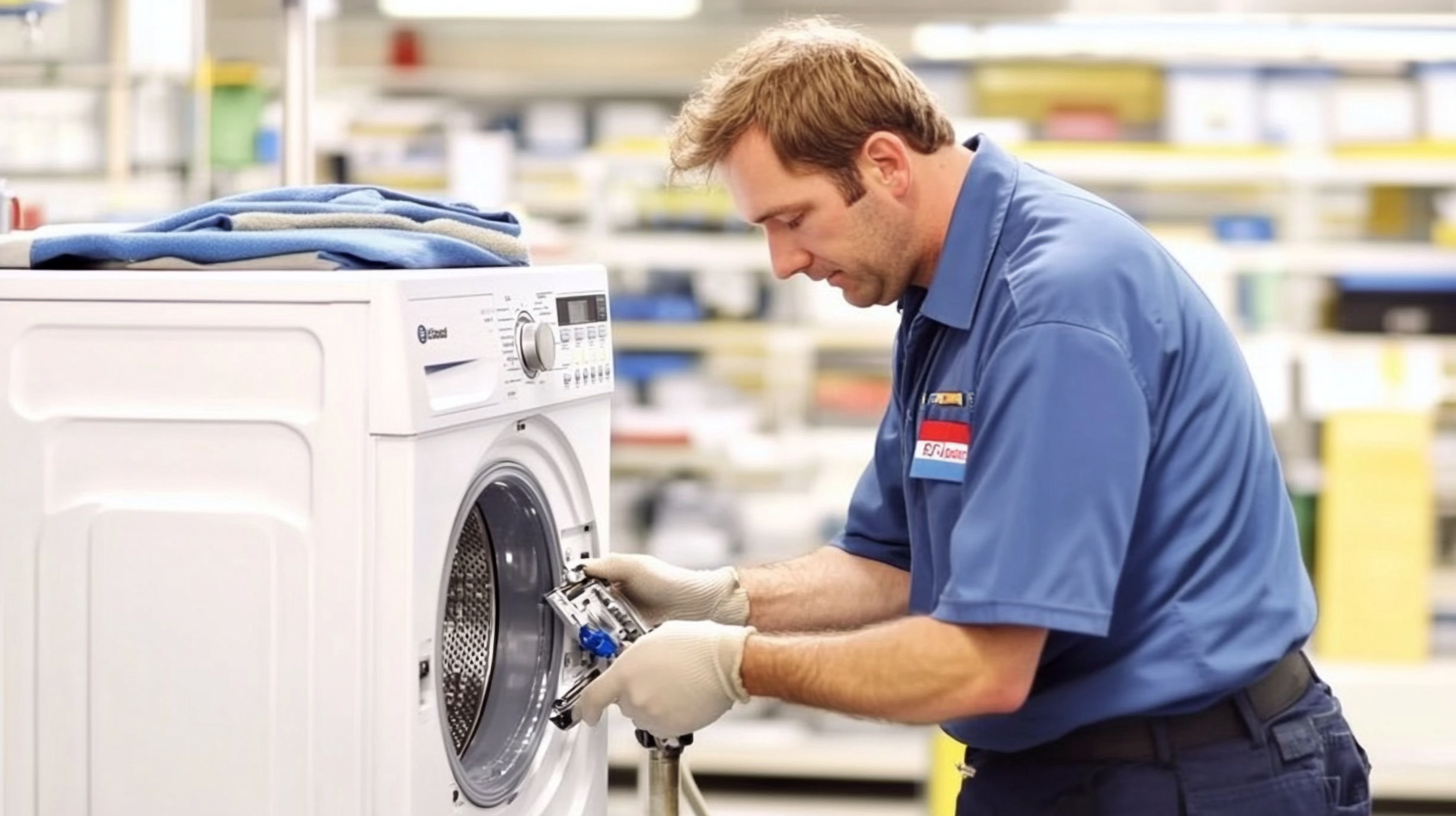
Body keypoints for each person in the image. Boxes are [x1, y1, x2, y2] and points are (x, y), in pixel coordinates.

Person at [576, 17, 1372, 816]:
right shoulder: (950, 296)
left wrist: (733, 665)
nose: (783, 262)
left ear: (884, 164)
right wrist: (717, 597)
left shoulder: (1050, 311)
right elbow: (893, 564)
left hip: (1190, 777)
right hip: (1080, 768)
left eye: (793, 219)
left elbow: (982, 665)